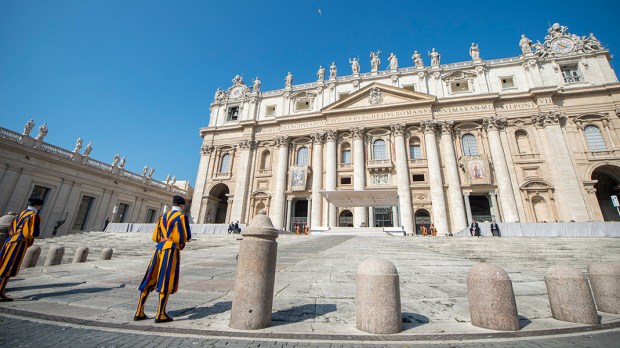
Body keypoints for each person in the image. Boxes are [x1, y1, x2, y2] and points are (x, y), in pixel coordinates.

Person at [134, 195, 191, 323]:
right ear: (182, 206)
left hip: (158, 248)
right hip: (170, 250)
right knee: (166, 279)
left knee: (150, 277)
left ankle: (139, 312)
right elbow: (184, 236)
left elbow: (155, 236)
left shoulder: (162, 217)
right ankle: (160, 314)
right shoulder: (181, 217)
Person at [0, 197, 44, 301]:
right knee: (8, 267)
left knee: (2, 264)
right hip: (19, 243)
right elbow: (34, 233)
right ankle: (1, 290)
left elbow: (11, 228)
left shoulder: (20, 214)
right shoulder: (34, 216)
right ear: (38, 206)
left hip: (9, 241)